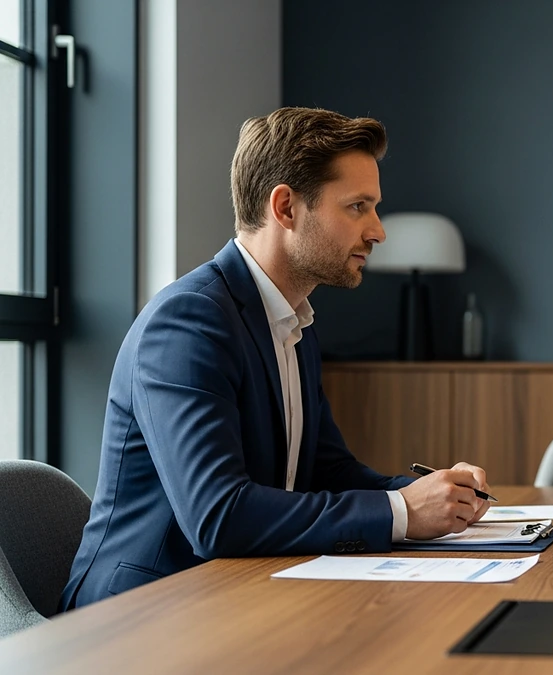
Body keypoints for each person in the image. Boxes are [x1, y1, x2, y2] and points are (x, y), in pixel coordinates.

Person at [61, 107, 492, 610]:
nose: (378, 231)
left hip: (236, 596)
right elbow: (217, 517)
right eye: (358, 207)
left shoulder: (293, 320)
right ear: (286, 208)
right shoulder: (188, 322)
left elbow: (327, 472)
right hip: (138, 617)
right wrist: (400, 510)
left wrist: (436, 494)